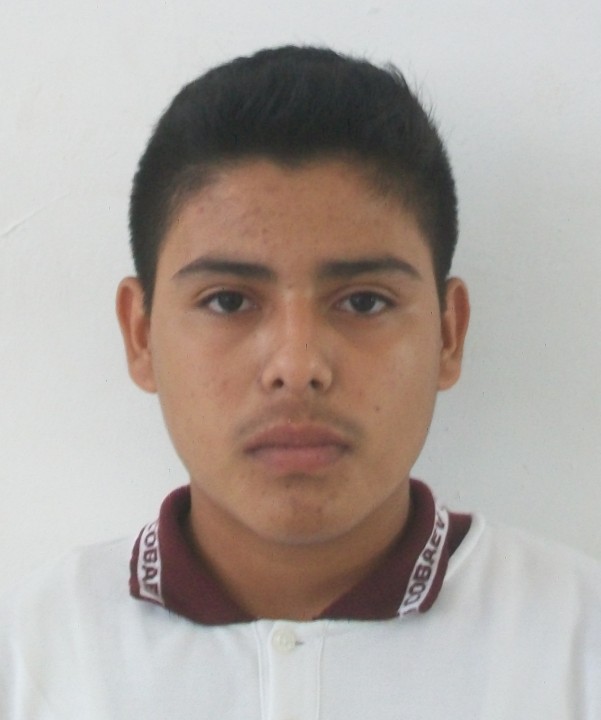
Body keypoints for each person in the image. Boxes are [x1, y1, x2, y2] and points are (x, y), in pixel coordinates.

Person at [1, 45, 600, 719]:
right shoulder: (32, 657)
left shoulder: (577, 647)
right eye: (228, 301)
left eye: (363, 302)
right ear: (141, 335)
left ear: (447, 334)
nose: (296, 365)